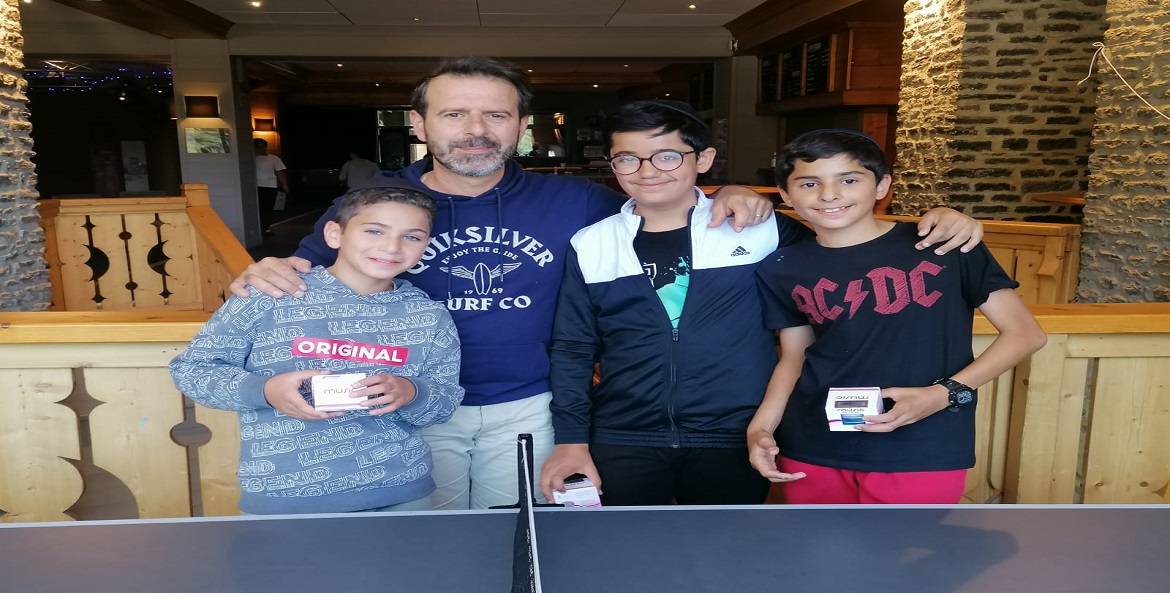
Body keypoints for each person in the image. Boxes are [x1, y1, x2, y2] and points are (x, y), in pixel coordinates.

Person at [227, 56, 980, 510]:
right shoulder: (379, 204)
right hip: (414, 407)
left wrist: (921, 222)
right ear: (421, 123)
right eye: (454, 113)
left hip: (532, 409)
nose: (476, 128)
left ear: (520, 126)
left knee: (528, 538)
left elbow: (808, 229)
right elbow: (314, 267)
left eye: (496, 114)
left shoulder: (581, 206)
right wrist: (264, 269)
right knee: (437, 544)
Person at [538, 103, 985, 506]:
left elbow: (850, 243)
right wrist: (572, 438)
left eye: (668, 155)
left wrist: (945, 218)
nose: (647, 170)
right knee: (624, 553)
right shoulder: (591, 244)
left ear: (703, 159)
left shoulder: (761, 229)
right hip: (623, 434)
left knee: (730, 554)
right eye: (627, 158)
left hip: (736, 432)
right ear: (612, 163)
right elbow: (574, 347)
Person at [747, 129, 1048, 504]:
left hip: (922, 441)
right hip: (813, 441)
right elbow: (795, 357)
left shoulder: (942, 243)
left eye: (849, 180)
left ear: (882, 186)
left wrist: (943, 394)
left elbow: (1025, 334)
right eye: (809, 183)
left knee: (906, 544)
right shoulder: (779, 267)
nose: (829, 194)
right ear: (787, 195)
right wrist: (761, 428)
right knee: (819, 544)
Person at [170, 183, 465, 514]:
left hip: (401, 493)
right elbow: (192, 370)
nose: (391, 246)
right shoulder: (272, 292)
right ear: (334, 234)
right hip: (283, 495)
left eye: (412, 236)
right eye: (374, 230)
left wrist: (411, 392)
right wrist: (266, 391)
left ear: (426, 246)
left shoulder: (429, 315)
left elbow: (444, 403)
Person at [253, 137, 288, 236]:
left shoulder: (273, 158)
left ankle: (265, 227)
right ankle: (259, 227)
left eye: (262, 146)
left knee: (268, 207)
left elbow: (280, 172)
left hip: (270, 186)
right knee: (258, 207)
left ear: (265, 147)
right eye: (257, 147)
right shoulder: (252, 158)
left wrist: (284, 185)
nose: (260, 149)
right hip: (256, 186)